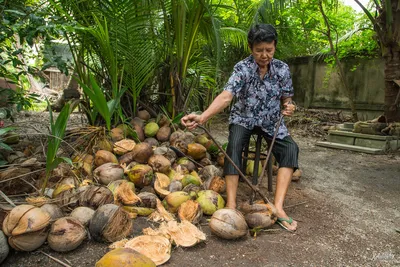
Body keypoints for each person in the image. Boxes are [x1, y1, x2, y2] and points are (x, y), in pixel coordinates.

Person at [181, 24, 299, 231]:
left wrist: (289, 107)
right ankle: (232, 205)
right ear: (250, 47)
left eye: (269, 50)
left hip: (272, 121)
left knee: (290, 149)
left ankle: (278, 208)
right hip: (243, 119)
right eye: (259, 50)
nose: (264, 55)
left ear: (275, 47)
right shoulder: (242, 68)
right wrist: (203, 117)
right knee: (233, 147)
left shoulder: (282, 69)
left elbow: (287, 98)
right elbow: (227, 96)